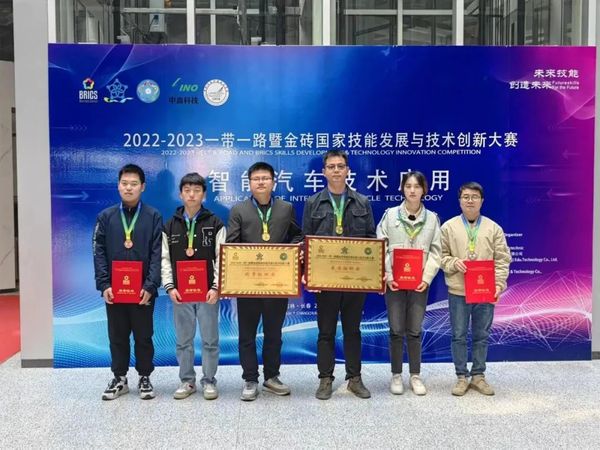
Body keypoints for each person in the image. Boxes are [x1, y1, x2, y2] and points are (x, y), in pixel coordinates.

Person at [302, 150, 376, 400]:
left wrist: (372, 274)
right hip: (325, 281)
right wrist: (308, 273)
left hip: (355, 280)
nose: (336, 170)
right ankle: (325, 379)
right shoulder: (313, 203)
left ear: (347, 171)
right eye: (331, 166)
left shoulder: (362, 202)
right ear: (324, 171)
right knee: (326, 332)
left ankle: (355, 378)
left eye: (340, 166)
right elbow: (306, 241)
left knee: (353, 330)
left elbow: (371, 240)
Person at [226, 162, 303, 401]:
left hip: (276, 283)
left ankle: (271, 377)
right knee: (247, 334)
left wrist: (290, 252)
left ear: (273, 182)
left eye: (265, 178)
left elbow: (297, 235)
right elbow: (231, 244)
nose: (261, 182)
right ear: (249, 183)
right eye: (256, 179)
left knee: (274, 333)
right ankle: (250, 379)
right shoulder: (238, 209)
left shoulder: (285, 208)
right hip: (247, 283)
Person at [93, 164, 162, 400]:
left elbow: (158, 253)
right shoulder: (106, 217)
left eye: (134, 184)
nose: (129, 188)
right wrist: (104, 285)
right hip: (115, 290)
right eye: (124, 183)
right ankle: (119, 378)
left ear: (143, 187)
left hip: (143, 291)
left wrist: (150, 286)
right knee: (117, 336)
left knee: (144, 336)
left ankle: (145, 377)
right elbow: (98, 252)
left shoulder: (153, 216)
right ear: (118, 186)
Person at [440, 181, 511, 396]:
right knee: (458, 335)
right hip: (458, 291)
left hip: (485, 291)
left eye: (474, 197)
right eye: (466, 197)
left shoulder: (493, 228)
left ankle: (478, 375)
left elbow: (502, 259)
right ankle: (461, 377)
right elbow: (440, 256)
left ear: (482, 201)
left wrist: (498, 284)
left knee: (482, 335)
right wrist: (453, 263)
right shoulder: (448, 227)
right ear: (459, 201)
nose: (470, 201)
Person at [161, 173, 226, 400]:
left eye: (197, 190)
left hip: (208, 293)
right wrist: (170, 287)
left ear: (204, 195)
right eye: (187, 190)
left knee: (210, 340)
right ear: (180, 194)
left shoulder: (215, 223)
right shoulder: (169, 225)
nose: (192, 194)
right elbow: (164, 259)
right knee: (183, 341)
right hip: (181, 293)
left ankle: (209, 381)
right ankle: (187, 381)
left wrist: (216, 287)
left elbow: (222, 257)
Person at [376, 171, 441, 396]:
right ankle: (396, 374)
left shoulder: (432, 218)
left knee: (414, 330)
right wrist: (388, 275)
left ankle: (415, 375)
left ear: (424, 190)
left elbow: (436, 251)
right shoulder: (390, 215)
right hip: (394, 282)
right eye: (408, 186)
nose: (412, 190)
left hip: (419, 284)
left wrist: (426, 278)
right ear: (402, 189)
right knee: (396, 330)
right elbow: (381, 247)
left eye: (417, 186)